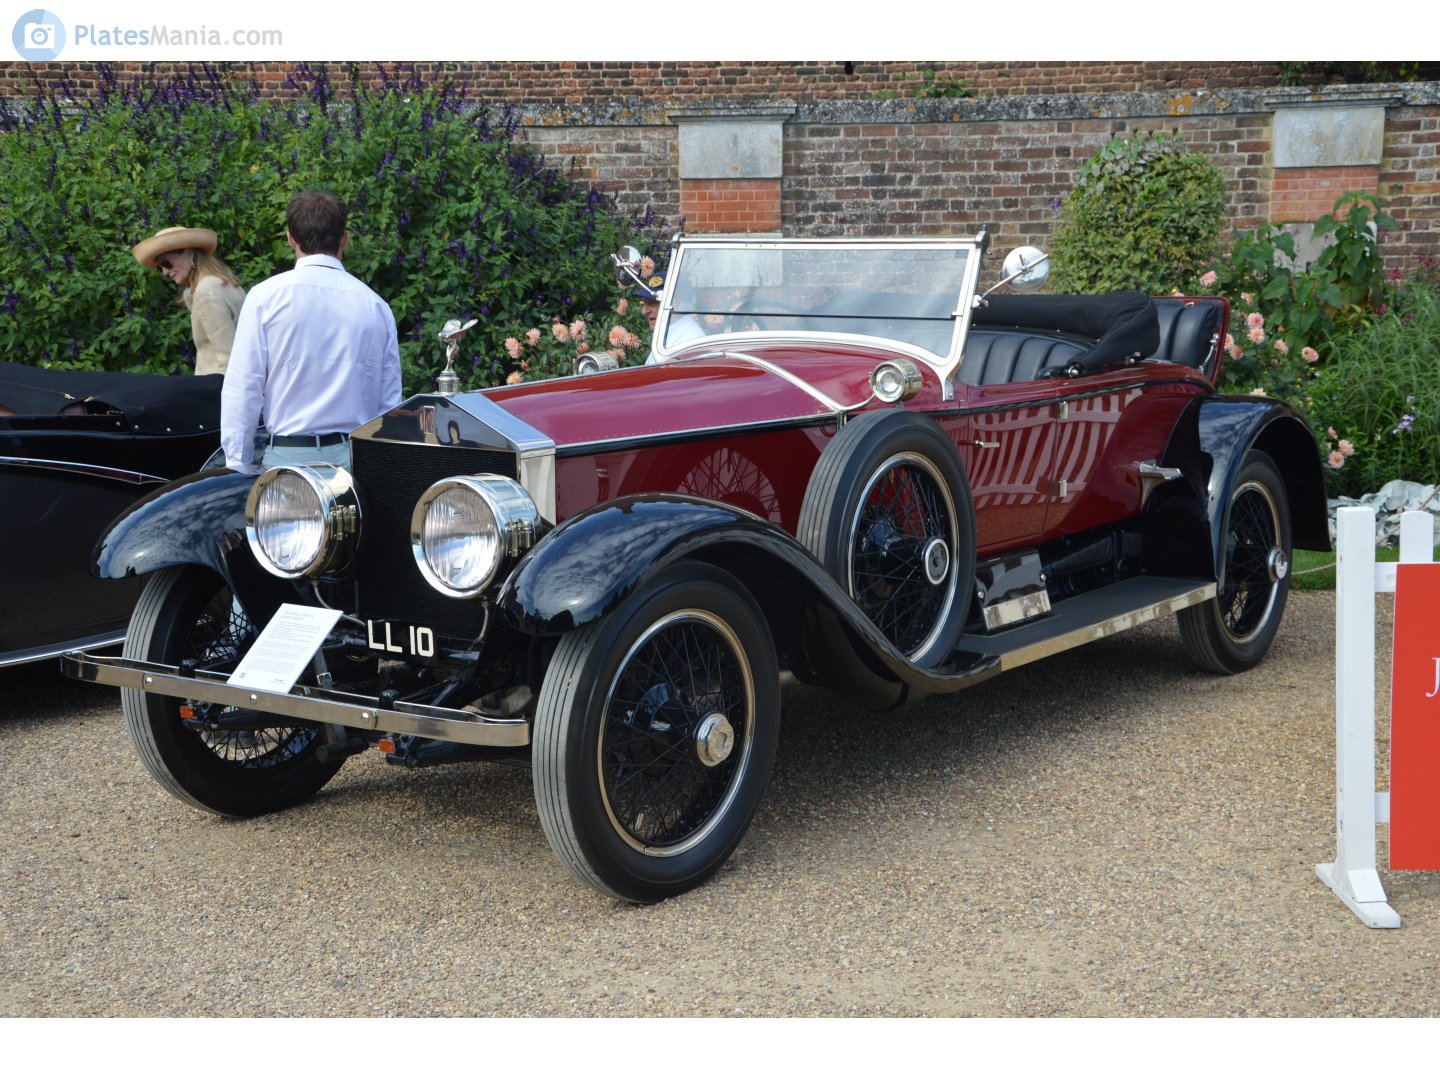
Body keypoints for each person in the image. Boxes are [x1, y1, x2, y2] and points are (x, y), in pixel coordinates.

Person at [220, 189, 402, 473]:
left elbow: (244, 388)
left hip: (288, 460)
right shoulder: (376, 306)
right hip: (357, 463)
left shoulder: (264, 298)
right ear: (344, 238)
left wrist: (238, 464)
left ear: (291, 239)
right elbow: (389, 404)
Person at [131, 226, 247, 376]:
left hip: (219, 387)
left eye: (167, 263)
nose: (165, 272)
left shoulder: (206, 291)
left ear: (190, 253)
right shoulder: (225, 283)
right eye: (160, 268)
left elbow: (229, 358)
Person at [639, 270, 705, 365]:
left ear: (679, 304)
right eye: (645, 303)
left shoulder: (689, 341)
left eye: (653, 303)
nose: (644, 311)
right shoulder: (671, 334)